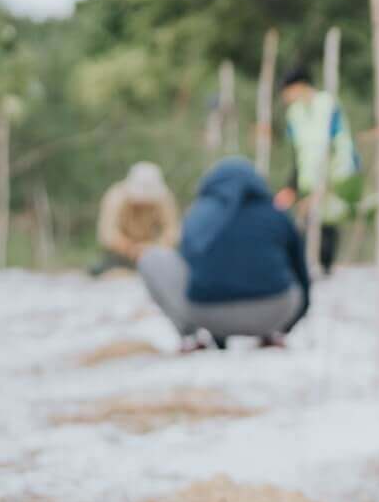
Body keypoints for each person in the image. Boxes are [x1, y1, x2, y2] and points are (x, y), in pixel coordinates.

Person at [139, 158, 310, 351]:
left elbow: (196, 272)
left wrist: (219, 336)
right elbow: (302, 276)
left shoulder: (198, 215)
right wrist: (287, 326)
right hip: (274, 312)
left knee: (152, 257)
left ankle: (191, 338)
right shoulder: (276, 215)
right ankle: (270, 335)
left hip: (209, 315)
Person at [276, 66, 362, 275]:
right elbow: (297, 153)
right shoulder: (293, 114)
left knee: (327, 227)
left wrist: (332, 181)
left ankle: (326, 271)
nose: (286, 97)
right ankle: (310, 269)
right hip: (308, 180)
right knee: (306, 227)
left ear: (299, 86)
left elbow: (338, 143)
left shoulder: (328, 105)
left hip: (335, 175)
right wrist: (292, 186)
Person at [89, 162, 179, 276]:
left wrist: (152, 248)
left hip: (153, 253)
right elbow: (107, 234)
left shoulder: (165, 198)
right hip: (120, 254)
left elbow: (172, 231)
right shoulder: (115, 197)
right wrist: (130, 248)